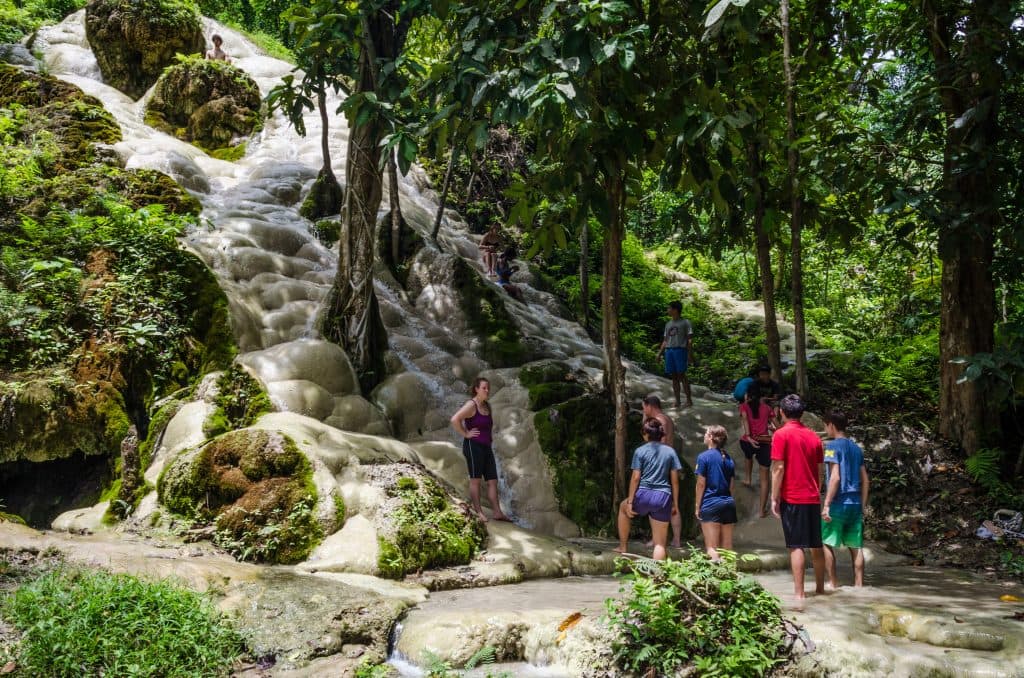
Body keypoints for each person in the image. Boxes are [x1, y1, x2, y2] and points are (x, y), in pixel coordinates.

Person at [770, 394, 826, 600]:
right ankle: (821, 589)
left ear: (781, 413)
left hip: (793, 496)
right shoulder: (814, 436)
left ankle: (799, 594)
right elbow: (820, 471)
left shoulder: (781, 435)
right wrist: (816, 490)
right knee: (816, 544)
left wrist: (774, 497)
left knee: (796, 545)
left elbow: (778, 468)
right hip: (812, 496)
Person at [614, 419, 681, 561]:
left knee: (622, 508)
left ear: (646, 434)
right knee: (660, 544)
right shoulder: (670, 452)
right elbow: (674, 480)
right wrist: (674, 504)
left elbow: (636, 478)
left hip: (644, 494)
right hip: (663, 496)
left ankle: (623, 547)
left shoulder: (640, 451)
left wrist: (631, 501)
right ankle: (658, 578)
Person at [450, 377, 511, 522]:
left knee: (492, 481)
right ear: (476, 389)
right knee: (475, 480)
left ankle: (497, 512)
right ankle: (479, 512)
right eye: (484, 388)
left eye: (488, 388)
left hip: (486, 447)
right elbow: (455, 419)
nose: (487, 390)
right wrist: (466, 433)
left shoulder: (487, 406)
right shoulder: (472, 405)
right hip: (473, 446)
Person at [821, 411, 870, 588]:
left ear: (831, 425)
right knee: (856, 547)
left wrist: (826, 504)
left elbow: (835, 477)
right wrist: (862, 506)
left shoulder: (832, 446)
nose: (825, 429)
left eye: (825, 425)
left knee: (826, 543)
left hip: (838, 503)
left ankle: (833, 584)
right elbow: (865, 480)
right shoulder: (856, 448)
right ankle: (859, 586)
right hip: (855, 503)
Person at [642, 395, 682, 549]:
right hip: (670, 463)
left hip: (663, 465)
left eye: (644, 407)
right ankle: (674, 539)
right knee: (671, 503)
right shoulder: (665, 418)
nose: (643, 410)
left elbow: (661, 443)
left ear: (649, 406)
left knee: (658, 502)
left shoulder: (660, 421)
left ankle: (660, 540)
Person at [695, 425, 736, 561]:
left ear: (711, 438)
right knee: (727, 547)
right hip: (728, 503)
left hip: (710, 502)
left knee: (712, 547)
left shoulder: (703, 457)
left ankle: (715, 580)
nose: (704, 436)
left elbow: (701, 484)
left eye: (706, 433)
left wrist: (697, 506)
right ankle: (731, 578)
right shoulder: (728, 458)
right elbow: (731, 486)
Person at [739, 386, 773, 517]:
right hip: (764, 442)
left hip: (747, 441)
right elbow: (775, 423)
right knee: (764, 478)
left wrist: (748, 436)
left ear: (748, 395)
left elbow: (745, 419)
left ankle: (747, 479)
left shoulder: (743, 406)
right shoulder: (767, 408)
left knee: (748, 457)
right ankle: (761, 510)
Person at [656, 301, 693, 408]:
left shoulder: (685, 322)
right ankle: (677, 401)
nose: (667, 310)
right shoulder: (668, 324)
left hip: (680, 350)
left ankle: (689, 400)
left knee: (682, 375)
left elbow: (690, 340)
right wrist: (659, 354)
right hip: (669, 351)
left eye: (669, 308)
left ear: (675, 310)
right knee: (674, 376)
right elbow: (665, 340)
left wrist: (690, 355)